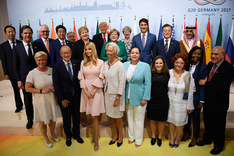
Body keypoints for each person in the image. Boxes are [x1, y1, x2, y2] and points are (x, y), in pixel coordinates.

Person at [197, 46, 234, 155]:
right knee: (208, 122)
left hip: (219, 102)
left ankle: (219, 145)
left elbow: (223, 86)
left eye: (216, 54)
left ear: (223, 55)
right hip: (208, 100)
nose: (213, 56)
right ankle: (207, 139)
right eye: (212, 54)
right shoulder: (210, 65)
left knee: (219, 125)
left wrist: (206, 83)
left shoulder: (229, 68)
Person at [25, 52, 61, 148]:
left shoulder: (52, 70)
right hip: (41, 100)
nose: (41, 62)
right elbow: (27, 88)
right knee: (42, 120)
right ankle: (46, 138)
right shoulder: (32, 73)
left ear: (46, 60)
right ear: (36, 61)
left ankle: (52, 133)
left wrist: (54, 88)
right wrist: (41, 90)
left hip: (52, 99)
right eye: (39, 60)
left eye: (43, 59)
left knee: (52, 119)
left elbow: (57, 82)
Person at [52, 46, 84, 146]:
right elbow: (56, 84)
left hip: (77, 96)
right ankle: (68, 136)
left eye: (68, 52)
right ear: (61, 54)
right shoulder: (57, 66)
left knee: (76, 117)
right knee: (66, 118)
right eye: (64, 53)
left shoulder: (77, 63)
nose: (66, 55)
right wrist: (62, 99)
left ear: (71, 53)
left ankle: (76, 135)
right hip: (65, 98)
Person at [78, 42, 105, 151]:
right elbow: (81, 77)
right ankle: (94, 135)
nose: (88, 51)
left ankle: (96, 139)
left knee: (94, 116)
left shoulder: (101, 62)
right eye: (86, 49)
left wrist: (94, 90)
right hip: (85, 90)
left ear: (93, 50)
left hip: (97, 90)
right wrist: (85, 90)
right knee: (90, 114)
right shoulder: (82, 62)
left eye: (89, 49)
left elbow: (101, 76)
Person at [124, 47, 151, 147]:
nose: (134, 55)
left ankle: (138, 140)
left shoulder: (145, 66)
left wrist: (145, 97)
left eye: (136, 53)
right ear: (130, 54)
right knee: (129, 118)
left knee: (139, 119)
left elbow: (148, 83)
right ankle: (131, 137)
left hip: (140, 98)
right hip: (127, 96)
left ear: (140, 55)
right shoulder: (124, 65)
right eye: (132, 53)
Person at [181, 46, 206, 147]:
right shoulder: (186, 65)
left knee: (195, 117)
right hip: (185, 95)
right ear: (191, 54)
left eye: (198, 54)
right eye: (194, 53)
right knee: (186, 115)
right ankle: (186, 133)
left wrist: (202, 100)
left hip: (196, 96)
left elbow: (203, 85)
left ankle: (195, 137)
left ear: (201, 56)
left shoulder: (204, 67)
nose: (196, 55)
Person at [167, 53, 194, 148]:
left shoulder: (188, 75)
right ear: (173, 62)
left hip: (182, 103)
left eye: (181, 63)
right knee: (171, 121)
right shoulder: (168, 72)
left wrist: (190, 106)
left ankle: (177, 138)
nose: (178, 64)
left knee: (179, 123)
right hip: (170, 102)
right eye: (177, 62)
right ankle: (171, 137)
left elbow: (191, 92)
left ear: (184, 64)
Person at [13, 25, 37, 129]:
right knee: (28, 101)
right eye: (25, 33)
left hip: (37, 78)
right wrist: (19, 80)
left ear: (31, 34)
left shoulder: (36, 46)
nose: (28, 35)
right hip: (25, 79)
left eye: (29, 33)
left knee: (40, 100)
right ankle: (30, 119)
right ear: (22, 34)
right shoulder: (17, 48)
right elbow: (15, 66)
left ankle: (42, 118)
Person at [104, 42, 126, 147]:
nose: (108, 52)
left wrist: (118, 97)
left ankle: (120, 136)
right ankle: (115, 135)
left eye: (111, 50)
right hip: (107, 94)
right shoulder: (105, 63)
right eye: (107, 50)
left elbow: (122, 82)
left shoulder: (120, 65)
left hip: (116, 96)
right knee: (112, 117)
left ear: (116, 52)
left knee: (118, 117)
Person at [147, 56, 169, 147]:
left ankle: (159, 137)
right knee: (152, 119)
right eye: (157, 63)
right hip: (152, 100)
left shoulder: (167, 74)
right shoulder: (150, 73)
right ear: (154, 64)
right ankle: (153, 136)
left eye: (160, 63)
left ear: (163, 64)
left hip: (163, 100)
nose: (158, 65)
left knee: (161, 120)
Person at [0, 25, 23, 113]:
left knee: (26, 89)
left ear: (15, 32)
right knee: (16, 90)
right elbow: (3, 60)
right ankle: (19, 105)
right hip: (12, 72)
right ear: (5, 33)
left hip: (22, 70)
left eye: (12, 31)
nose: (11, 33)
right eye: (9, 32)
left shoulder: (21, 43)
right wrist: (6, 73)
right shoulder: (2, 46)